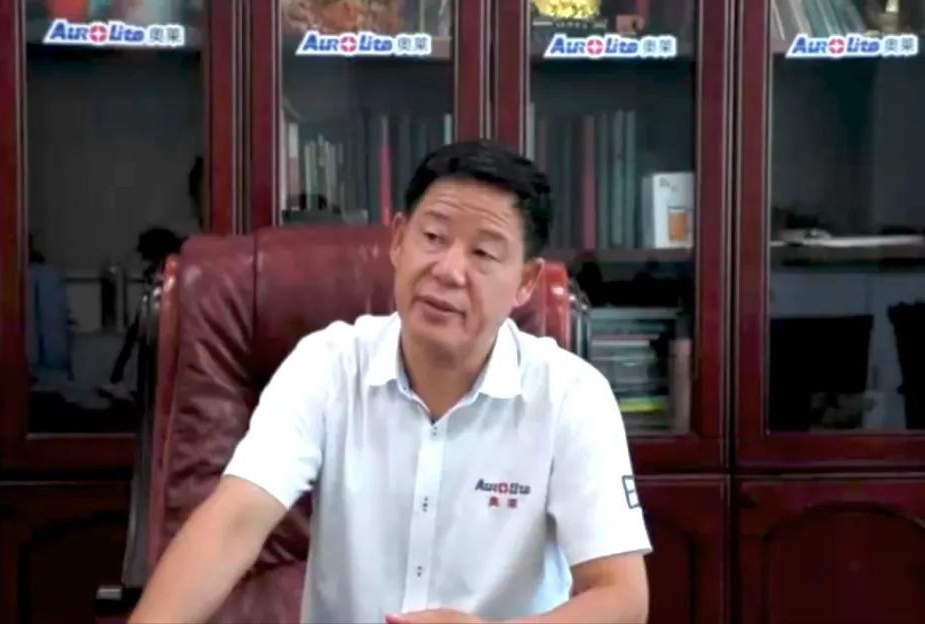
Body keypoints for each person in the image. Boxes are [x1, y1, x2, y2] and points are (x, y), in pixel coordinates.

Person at [130, 140, 651, 624]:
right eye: (433, 238)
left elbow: (622, 596)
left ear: (525, 282)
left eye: (484, 254)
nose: (448, 270)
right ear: (399, 240)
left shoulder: (570, 396)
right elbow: (233, 522)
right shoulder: (327, 366)